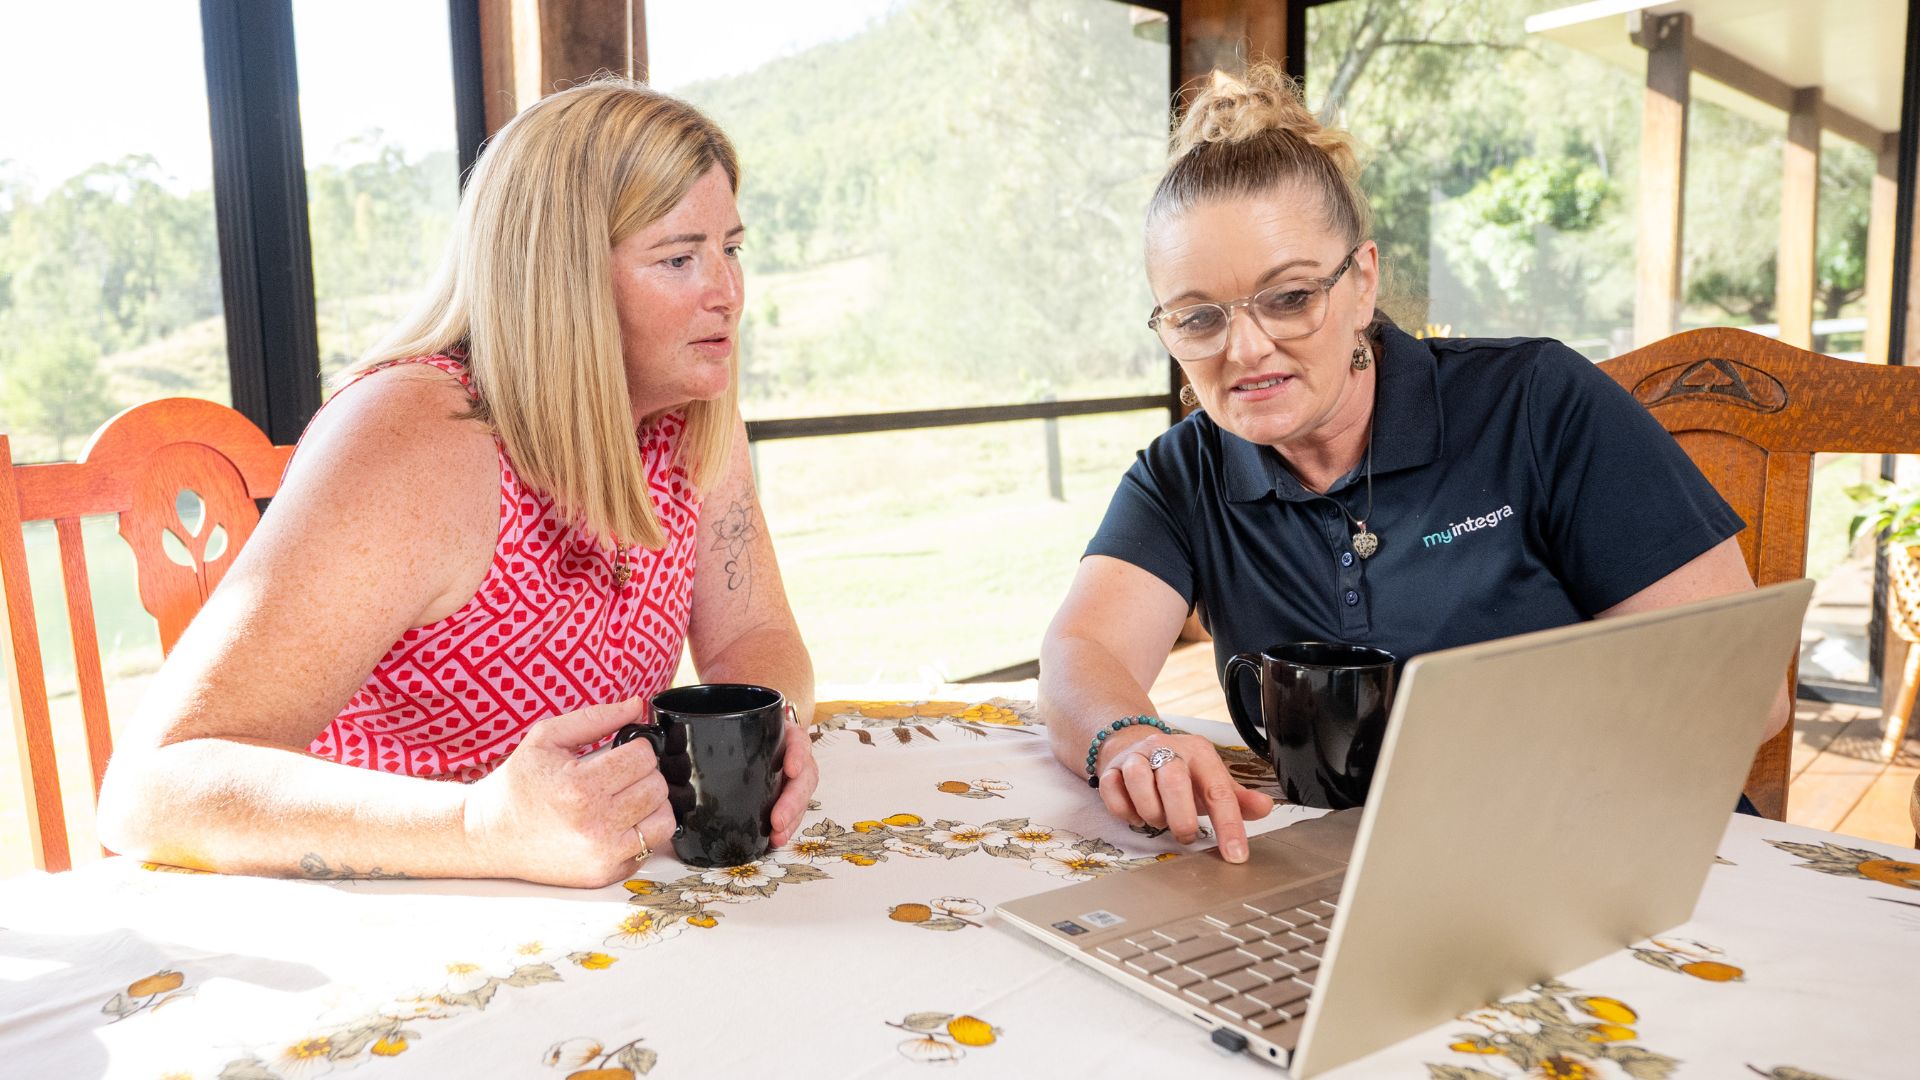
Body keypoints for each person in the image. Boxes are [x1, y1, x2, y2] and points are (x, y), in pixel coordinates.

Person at [1039, 66, 1781, 863]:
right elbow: (1084, 653)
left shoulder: (1538, 402)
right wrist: (1128, 741)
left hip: (1617, 851)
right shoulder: (1183, 474)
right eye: (1198, 317)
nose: (1245, 349)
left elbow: (1744, 692)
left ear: (1361, 282)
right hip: (1357, 873)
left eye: (1289, 297)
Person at [97, 80, 817, 888]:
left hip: (591, 898)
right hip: (392, 913)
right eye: (680, 258)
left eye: (732, 248)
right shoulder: (416, 436)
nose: (728, 292)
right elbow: (148, 796)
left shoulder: (689, 415)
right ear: (563, 279)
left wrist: (774, 730)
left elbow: (750, 637)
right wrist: (479, 827)